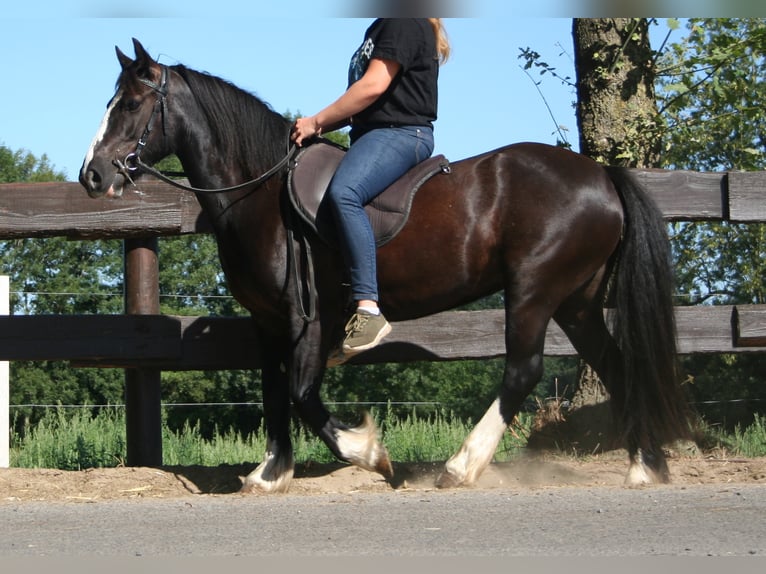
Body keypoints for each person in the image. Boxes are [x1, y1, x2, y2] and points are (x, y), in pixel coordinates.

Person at [291, 18, 450, 359]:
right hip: (372, 134)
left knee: (345, 193)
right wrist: (315, 127)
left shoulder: (402, 21)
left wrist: (316, 121)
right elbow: (359, 103)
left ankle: (367, 308)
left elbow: (373, 86)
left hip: (400, 133)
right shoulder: (382, 26)